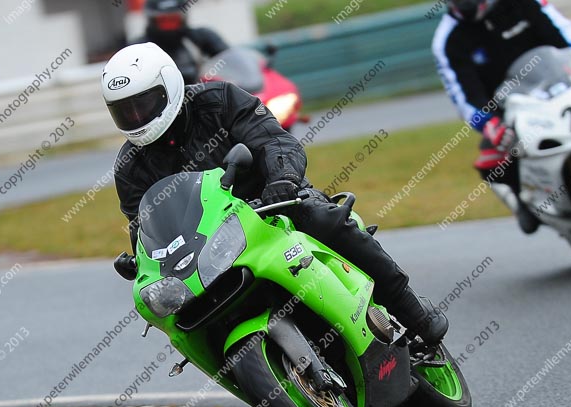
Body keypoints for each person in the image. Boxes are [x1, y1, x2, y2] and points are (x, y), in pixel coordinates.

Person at [103, 43, 448, 345]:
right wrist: (142, 259)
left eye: (143, 104)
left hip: (272, 205)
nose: (136, 117)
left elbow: (274, 140)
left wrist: (281, 180)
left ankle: (412, 310)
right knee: (179, 313)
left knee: (324, 218)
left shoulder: (219, 100)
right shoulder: (130, 167)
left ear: (169, 84)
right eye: (125, 110)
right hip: (209, 248)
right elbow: (143, 224)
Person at [433, 0, 571, 234]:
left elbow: (566, 33)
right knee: (491, 161)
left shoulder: (526, 3)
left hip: (564, 83)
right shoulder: (447, 39)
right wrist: (489, 123)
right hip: (510, 110)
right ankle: (522, 201)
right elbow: (463, 96)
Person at [133, 0, 228, 84]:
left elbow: (230, 61)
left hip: (200, 97)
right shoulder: (138, 48)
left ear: (183, 18)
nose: (169, 27)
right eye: (164, 21)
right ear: (152, 21)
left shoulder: (200, 37)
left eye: (173, 20)